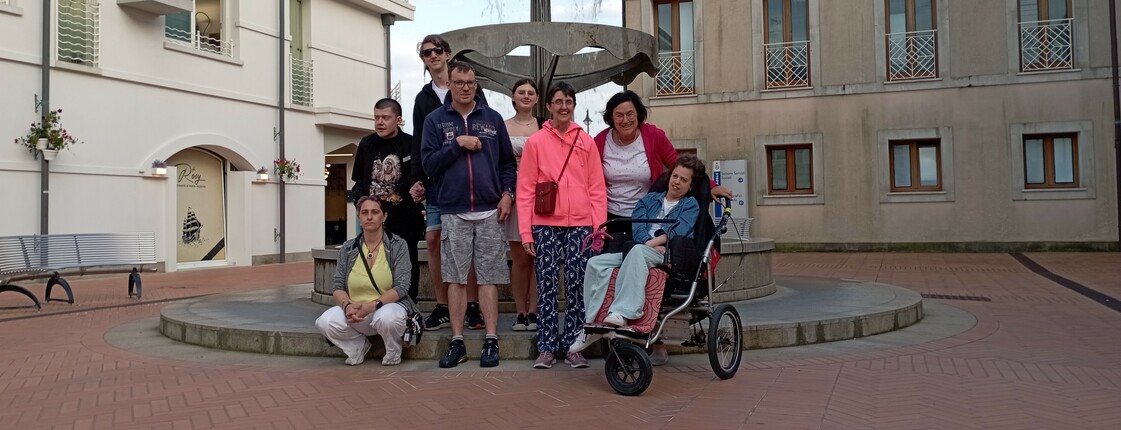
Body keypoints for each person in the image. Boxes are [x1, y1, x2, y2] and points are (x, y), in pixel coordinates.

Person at [592, 91, 731, 365]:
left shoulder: (653, 136)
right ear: (610, 117)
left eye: (630, 114)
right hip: (618, 218)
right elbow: (587, 177)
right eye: (619, 115)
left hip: (656, 210)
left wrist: (711, 188)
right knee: (615, 270)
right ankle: (616, 332)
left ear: (639, 114)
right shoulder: (600, 142)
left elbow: (680, 167)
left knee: (655, 275)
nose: (625, 119)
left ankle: (657, 340)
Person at [421, 61, 517, 368]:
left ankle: (491, 340)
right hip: (453, 210)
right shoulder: (435, 121)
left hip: (490, 210)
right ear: (448, 84)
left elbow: (506, 165)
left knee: (489, 279)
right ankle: (458, 341)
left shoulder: (492, 119)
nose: (466, 87)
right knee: (456, 280)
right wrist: (457, 145)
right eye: (460, 82)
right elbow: (429, 165)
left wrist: (508, 195)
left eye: (471, 82)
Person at [569, 155, 706, 354]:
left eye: (684, 180)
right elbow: (638, 227)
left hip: (667, 255)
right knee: (595, 263)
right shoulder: (649, 200)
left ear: (691, 186)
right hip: (642, 249)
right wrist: (647, 244)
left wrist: (652, 244)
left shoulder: (691, 205)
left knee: (638, 251)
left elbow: (680, 230)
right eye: (675, 176)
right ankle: (591, 323)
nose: (677, 182)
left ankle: (624, 311)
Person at [517, 82, 606, 369]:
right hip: (545, 223)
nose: (564, 106)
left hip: (581, 224)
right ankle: (546, 346)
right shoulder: (536, 142)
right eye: (558, 101)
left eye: (568, 101)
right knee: (546, 284)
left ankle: (573, 345)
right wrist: (526, 231)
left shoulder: (586, 141)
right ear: (549, 107)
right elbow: (526, 189)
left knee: (578, 284)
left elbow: (596, 187)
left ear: (573, 105)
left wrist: (598, 228)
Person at [407, 34, 489, 331]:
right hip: (439, 180)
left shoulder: (472, 91)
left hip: (469, 181)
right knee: (433, 240)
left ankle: (471, 305)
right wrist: (417, 178)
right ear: (424, 60)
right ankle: (443, 305)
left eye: (439, 50)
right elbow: (419, 144)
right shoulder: (423, 99)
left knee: (466, 242)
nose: (434, 55)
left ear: (448, 54)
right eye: (427, 52)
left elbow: (486, 130)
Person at [315, 196, 416, 366]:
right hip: (356, 312)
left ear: (384, 216)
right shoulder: (348, 248)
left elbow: (402, 286)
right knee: (325, 322)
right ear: (359, 217)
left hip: (385, 308)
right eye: (365, 212)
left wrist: (372, 305)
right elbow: (338, 286)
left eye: (375, 212)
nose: (369, 217)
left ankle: (393, 350)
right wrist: (347, 306)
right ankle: (357, 347)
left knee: (387, 318)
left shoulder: (398, 245)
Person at [349, 98, 424, 301]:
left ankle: (409, 305)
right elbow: (358, 181)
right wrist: (359, 203)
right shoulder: (366, 144)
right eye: (376, 118)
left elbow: (420, 177)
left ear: (398, 119)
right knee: (370, 261)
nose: (380, 122)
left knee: (407, 263)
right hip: (374, 219)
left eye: (385, 117)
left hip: (405, 219)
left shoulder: (411, 143)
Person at [503, 78, 543, 332]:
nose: (526, 96)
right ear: (513, 97)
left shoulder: (545, 127)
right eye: (521, 92)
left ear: (537, 98)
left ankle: (536, 311)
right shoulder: (503, 126)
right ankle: (520, 312)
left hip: (541, 197)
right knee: (519, 257)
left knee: (540, 256)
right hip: (514, 196)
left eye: (530, 93)